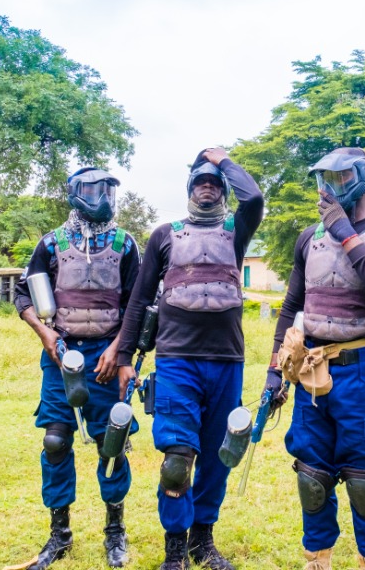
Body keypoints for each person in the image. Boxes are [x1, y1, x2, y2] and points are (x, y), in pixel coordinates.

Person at [116, 148, 262, 570]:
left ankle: (203, 539)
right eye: (201, 181)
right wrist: (126, 354)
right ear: (189, 190)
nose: (208, 187)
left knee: (219, 454)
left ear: (223, 192)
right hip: (177, 358)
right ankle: (175, 550)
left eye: (215, 183)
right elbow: (141, 299)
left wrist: (225, 159)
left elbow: (252, 198)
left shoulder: (237, 230)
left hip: (226, 360)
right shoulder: (165, 234)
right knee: (177, 460)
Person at [268, 148, 365, 570]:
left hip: (363, 372)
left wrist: (347, 233)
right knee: (312, 475)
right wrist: (275, 371)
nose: (330, 189)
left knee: (364, 480)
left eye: (342, 178)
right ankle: (318, 559)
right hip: (311, 370)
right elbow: (292, 304)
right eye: (323, 179)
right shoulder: (308, 238)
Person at [11, 167, 141, 569]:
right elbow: (23, 294)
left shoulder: (125, 244)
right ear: (73, 192)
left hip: (107, 354)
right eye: (90, 188)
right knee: (55, 440)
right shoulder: (51, 243)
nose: (99, 196)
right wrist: (44, 334)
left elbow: (138, 306)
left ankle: (114, 532)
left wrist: (120, 354)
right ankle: (59, 534)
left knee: (111, 445)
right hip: (62, 354)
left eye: (106, 188)